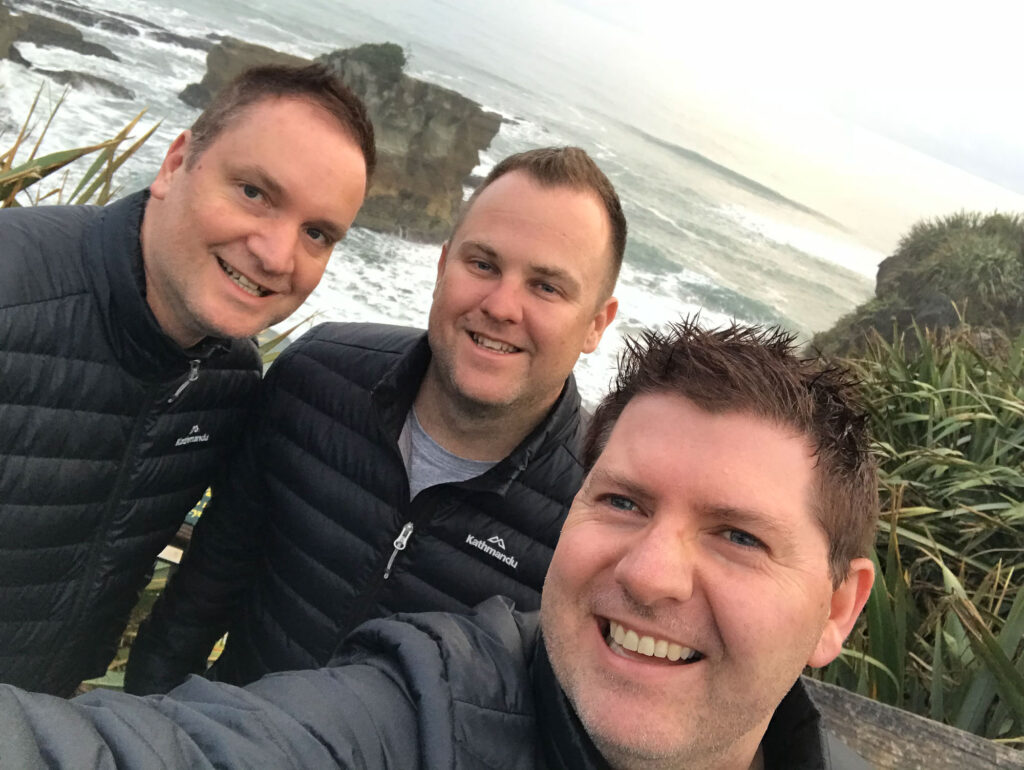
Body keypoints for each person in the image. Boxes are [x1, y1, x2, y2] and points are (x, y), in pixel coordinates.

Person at [0, 320, 877, 769]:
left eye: (737, 536)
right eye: (622, 502)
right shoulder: (427, 708)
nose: (650, 573)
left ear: (838, 608)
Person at [124, 146, 625, 694]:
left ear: (596, 325)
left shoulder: (599, 514)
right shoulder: (316, 378)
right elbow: (203, 589)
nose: (502, 306)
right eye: (483, 264)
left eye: (547, 287)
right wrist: (152, 709)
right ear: (442, 266)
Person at [0, 63, 375, 697]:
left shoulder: (231, 380)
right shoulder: (12, 292)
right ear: (175, 164)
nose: (276, 255)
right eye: (254, 192)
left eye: (316, 233)